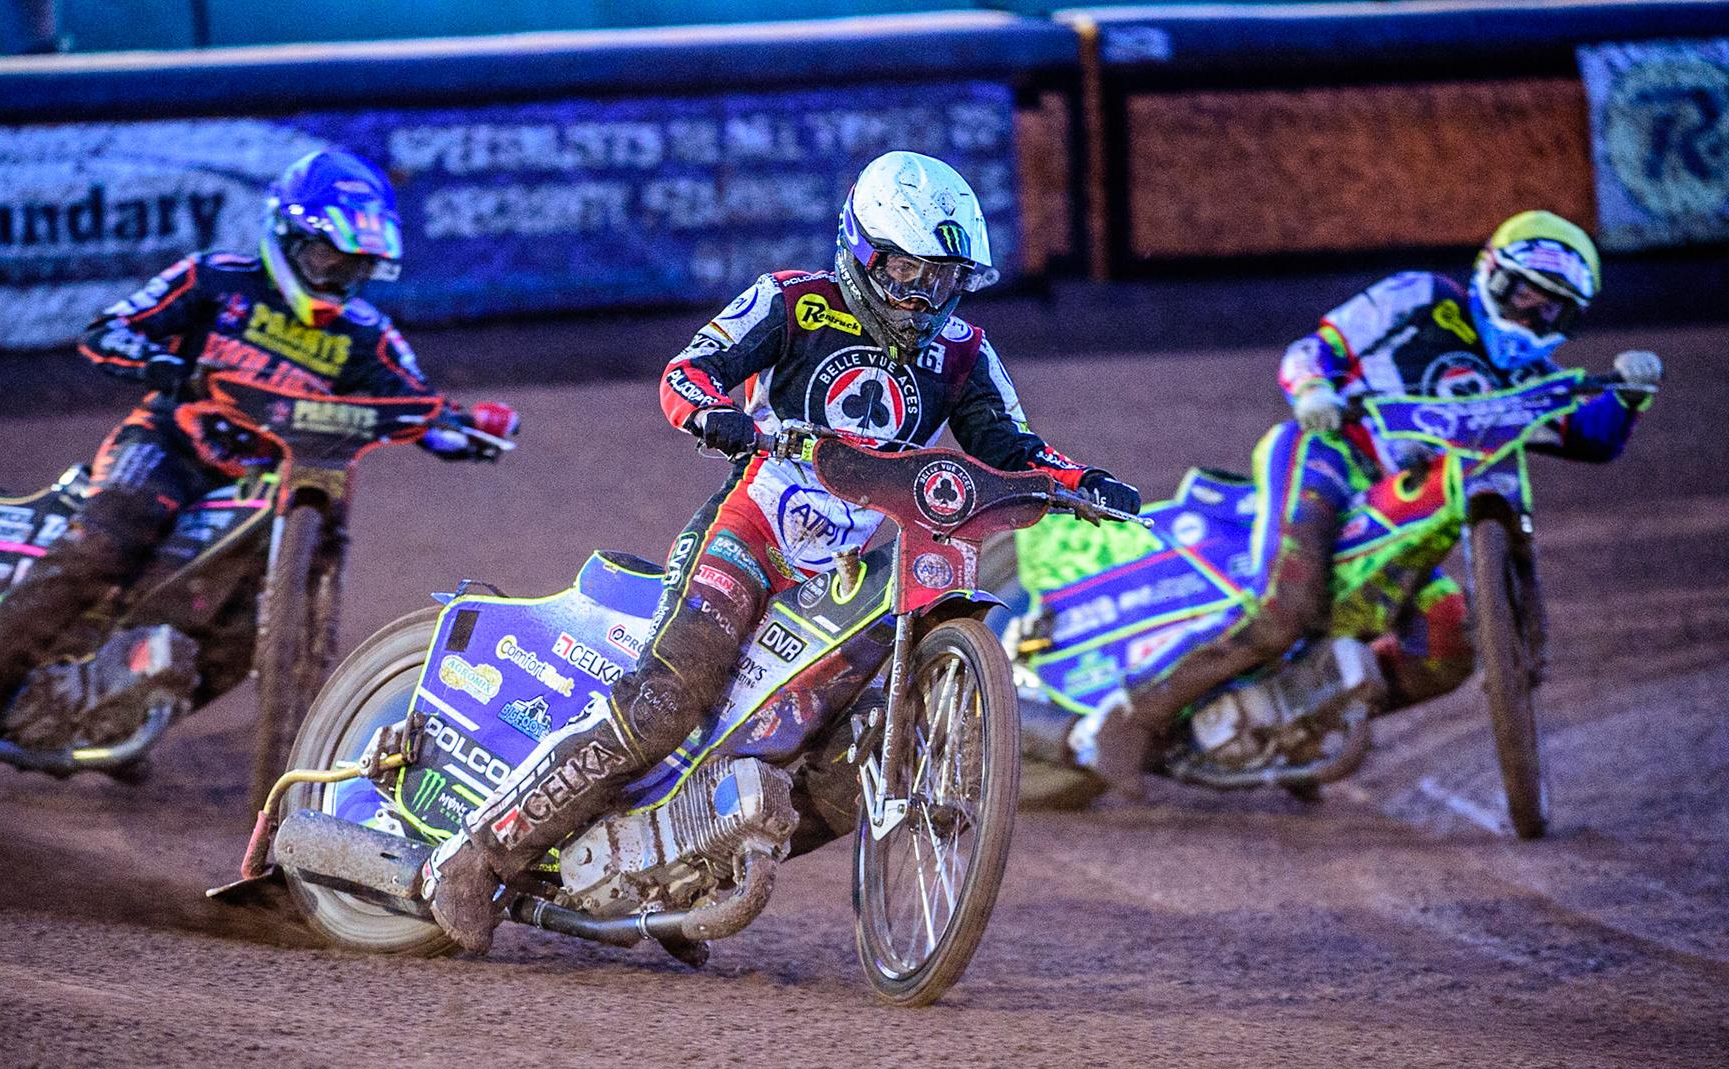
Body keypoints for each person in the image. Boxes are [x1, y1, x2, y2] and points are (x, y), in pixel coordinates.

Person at [425, 150, 1141, 954]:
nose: (922, 296)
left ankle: (689, 871)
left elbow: (1010, 446)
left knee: (847, 767)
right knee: (669, 699)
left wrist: (1081, 481)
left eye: (941, 280)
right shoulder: (794, 301)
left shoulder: (964, 352)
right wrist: (714, 416)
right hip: (751, 535)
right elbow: (688, 371)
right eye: (906, 273)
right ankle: (480, 852)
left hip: (849, 573)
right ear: (862, 252)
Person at [0, 149, 518, 776]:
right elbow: (107, 331)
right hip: (169, 447)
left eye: (354, 267)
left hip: (271, 483)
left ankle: (119, 710)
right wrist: (163, 365)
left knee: (242, 632)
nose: (337, 279)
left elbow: (419, 406)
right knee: (102, 550)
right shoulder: (211, 279)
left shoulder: (369, 336)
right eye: (326, 259)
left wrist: (467, 429)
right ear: (286, 238)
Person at [1087, 210, 1663, 800]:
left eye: (1549, 308)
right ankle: (1132, 719)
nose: (1528, 313)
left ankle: (1301, 722)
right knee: (1285, 604)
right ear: (1491, 273)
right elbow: (1315, 349)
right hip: (1330, 455)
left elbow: (1590, 436)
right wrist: (1314, 391)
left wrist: (1631, 395)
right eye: (1522, 293)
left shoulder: (1533, 383)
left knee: (1449, 641)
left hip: (1402, 506)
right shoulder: (1420, 297)